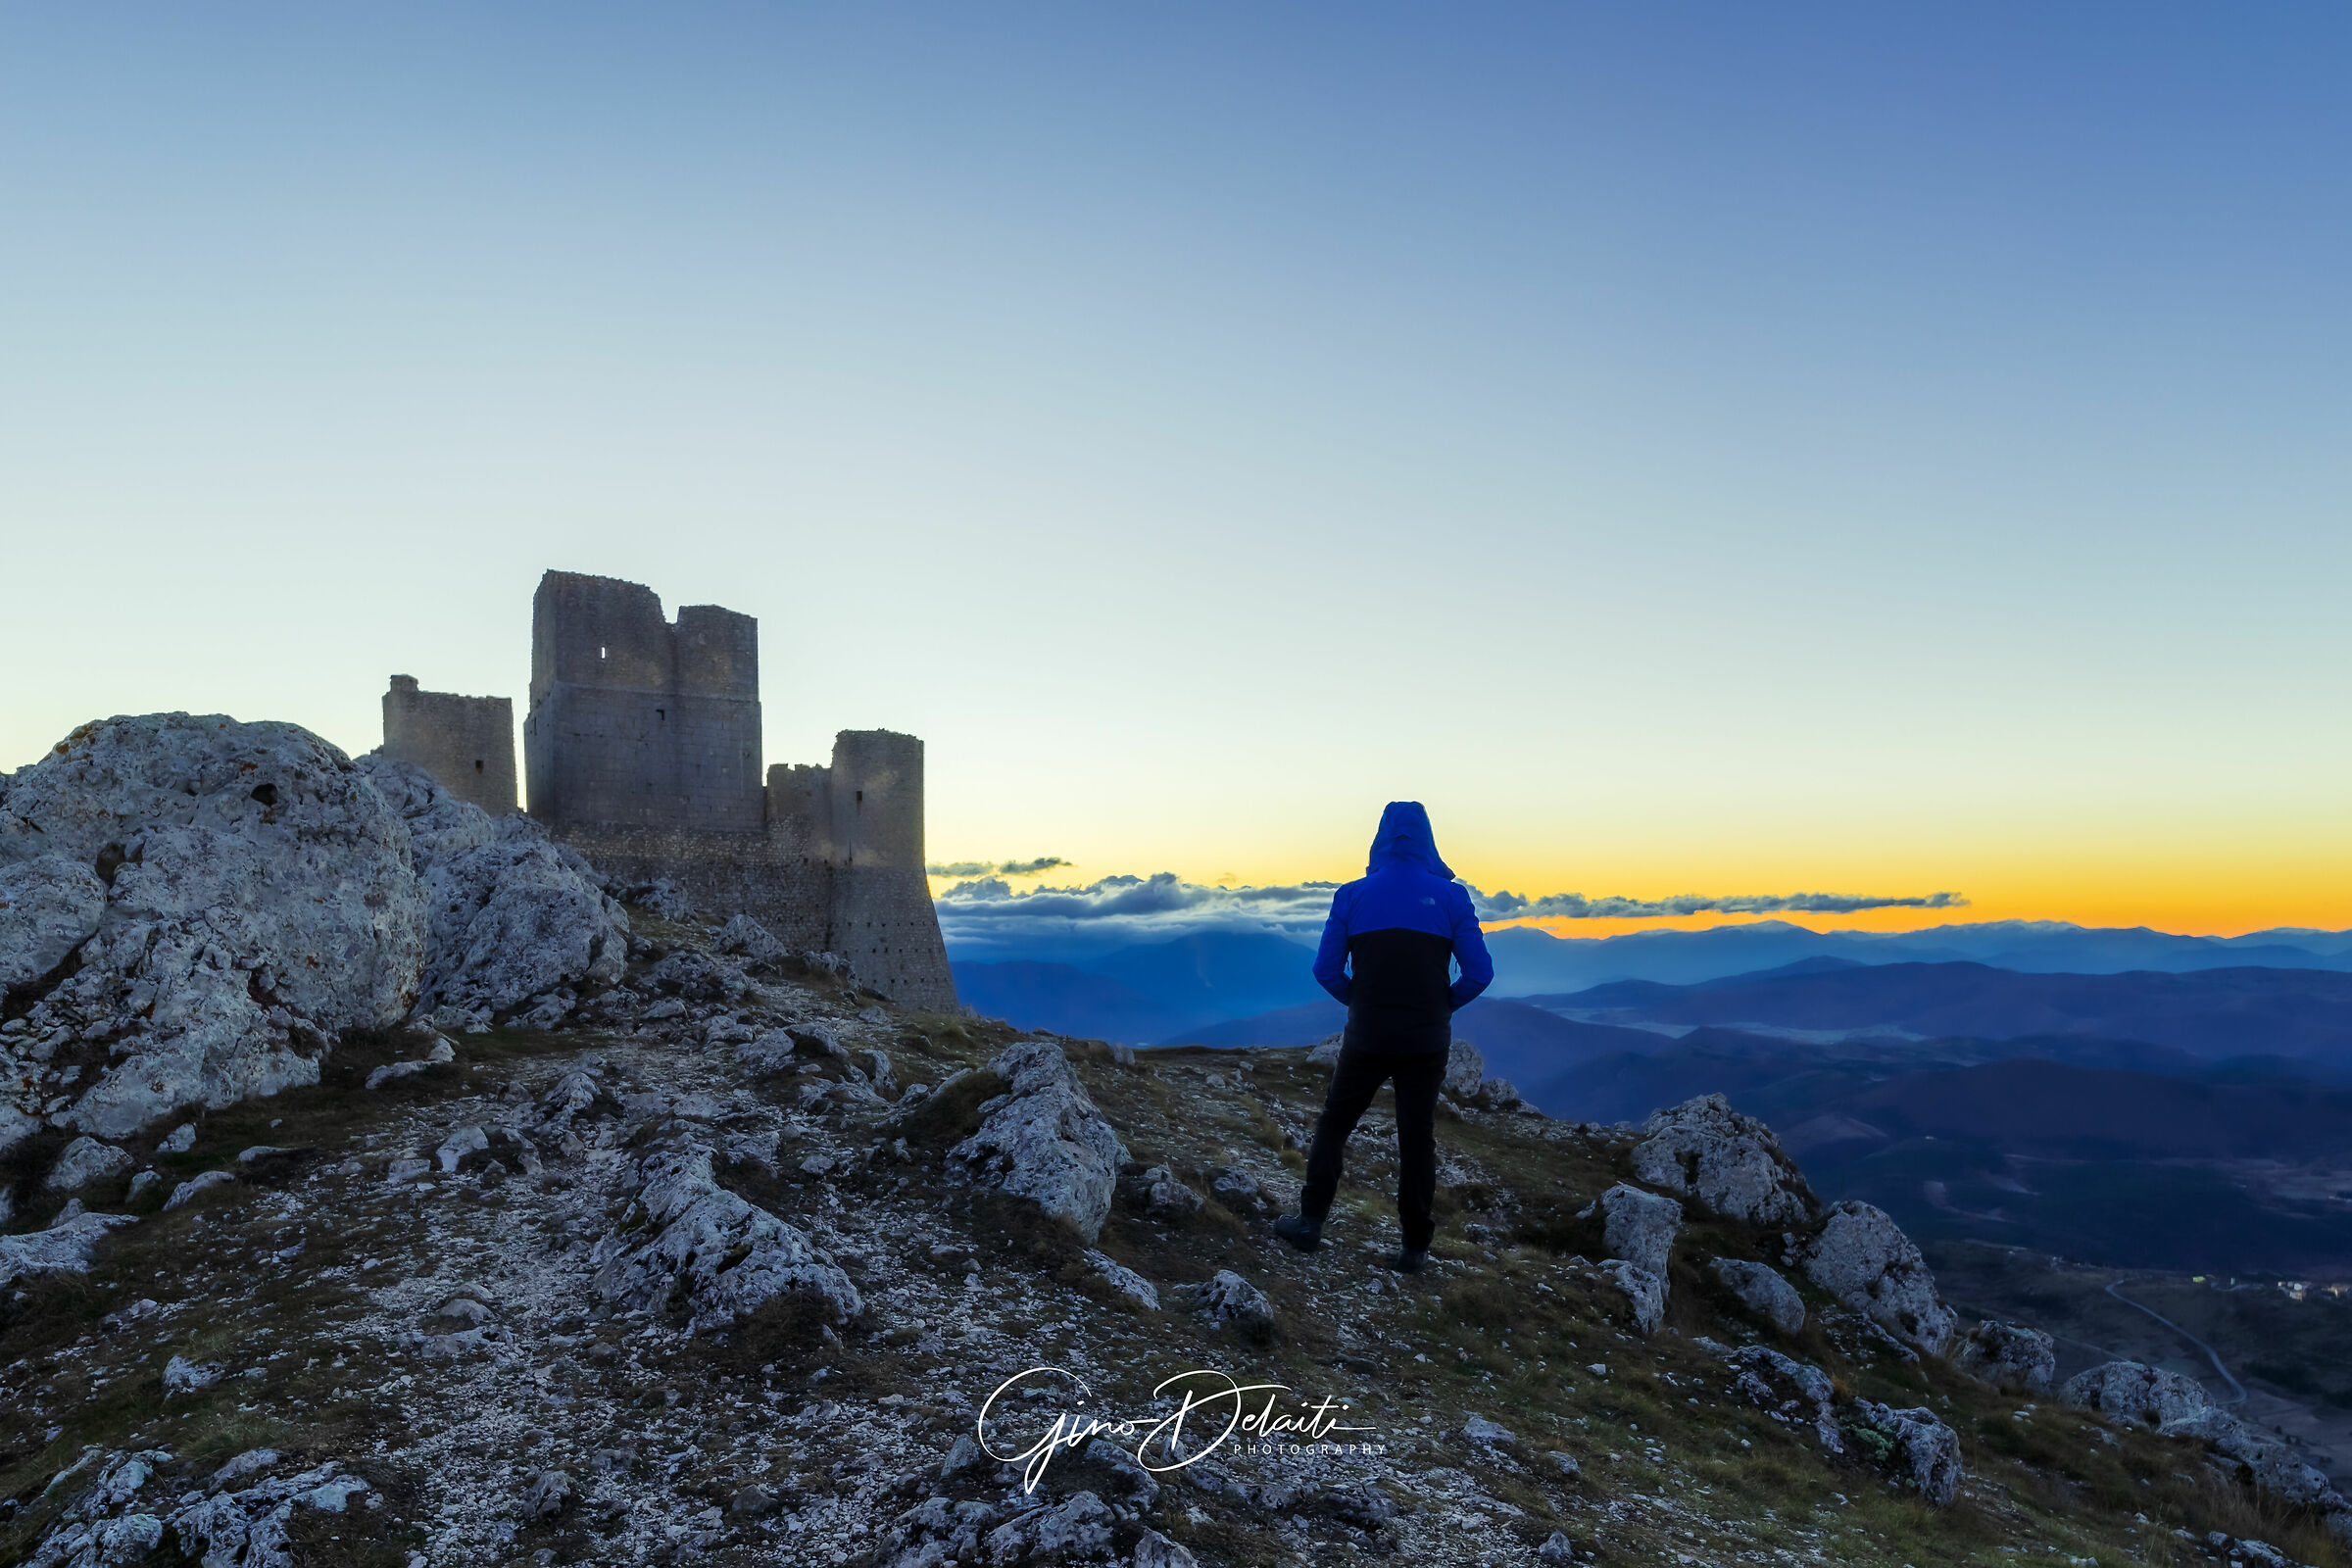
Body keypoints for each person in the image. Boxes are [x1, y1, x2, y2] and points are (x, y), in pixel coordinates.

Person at [1273, 801, 1493, 1272]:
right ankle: (1414, 1248)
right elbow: (1480, 973)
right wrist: (1442, 1005)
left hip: (1367, 1035)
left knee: (1335, 1124)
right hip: (1426, 1041)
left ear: (1380, 838)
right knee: (1417, 1137)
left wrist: (1359, 1000)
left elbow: (1325, 970)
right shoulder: (1453, 898)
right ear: (1427, 840)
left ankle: (1310, 1223)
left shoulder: (1351, 896)